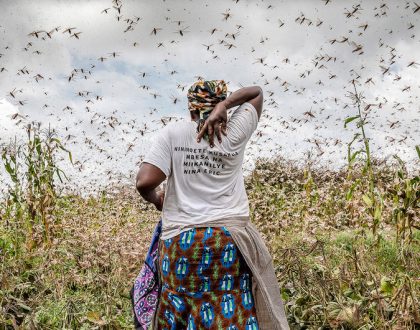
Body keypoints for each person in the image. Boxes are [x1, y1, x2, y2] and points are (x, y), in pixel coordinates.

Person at [136, 80, 289, 330]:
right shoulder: (235, 131)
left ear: (191, 110)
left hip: (182, 245)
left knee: (181, 310)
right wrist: (227, 105)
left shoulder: (172, 134)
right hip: (229, 243)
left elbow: (144, 182)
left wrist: (157, 199)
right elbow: (256, 93)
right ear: (221, 107)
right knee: (231, 311)